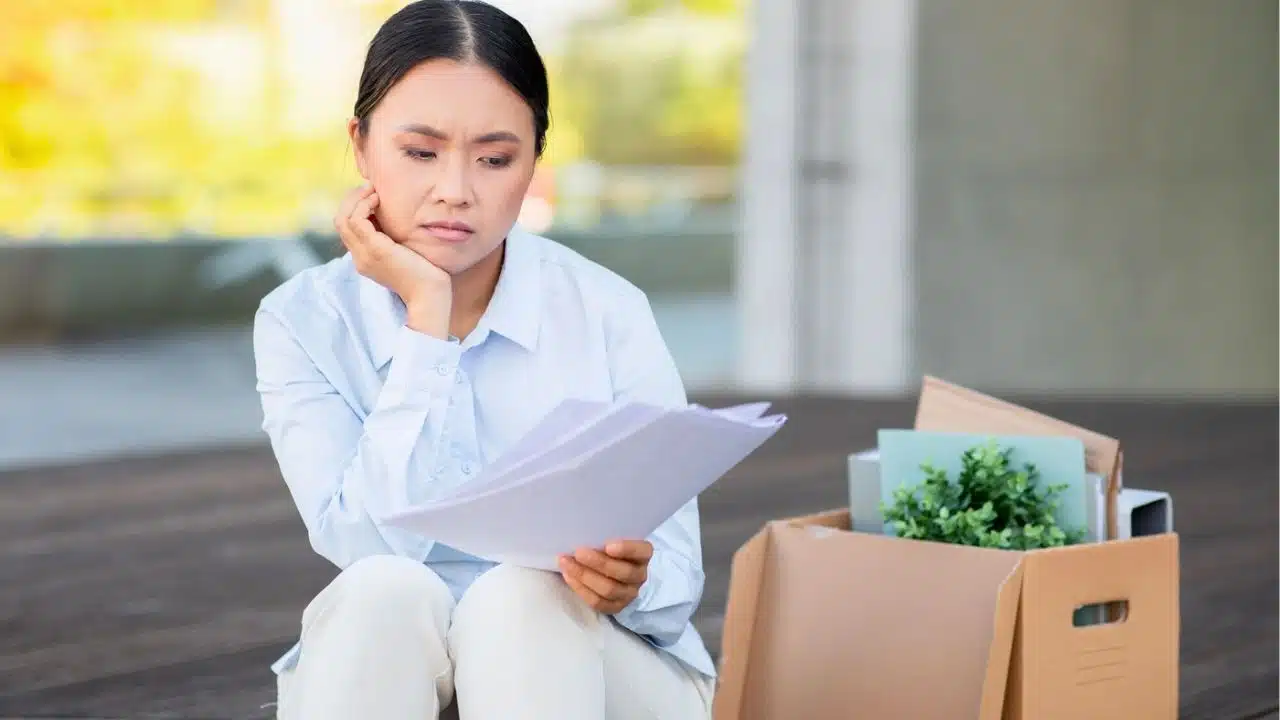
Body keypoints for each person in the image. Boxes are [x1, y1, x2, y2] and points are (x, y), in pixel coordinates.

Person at [251, 1, 716, 718]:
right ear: (361, 144)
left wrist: (631, 584)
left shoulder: (605, 309)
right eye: (419, 152)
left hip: (603, 667)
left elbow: (677, 578)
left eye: (496, 159)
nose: (456, 190)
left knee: (522, 593)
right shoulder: (303, 319)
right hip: (400, 653)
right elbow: (359, 543)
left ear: (533, 161)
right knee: (382, 588)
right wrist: (426, 329)